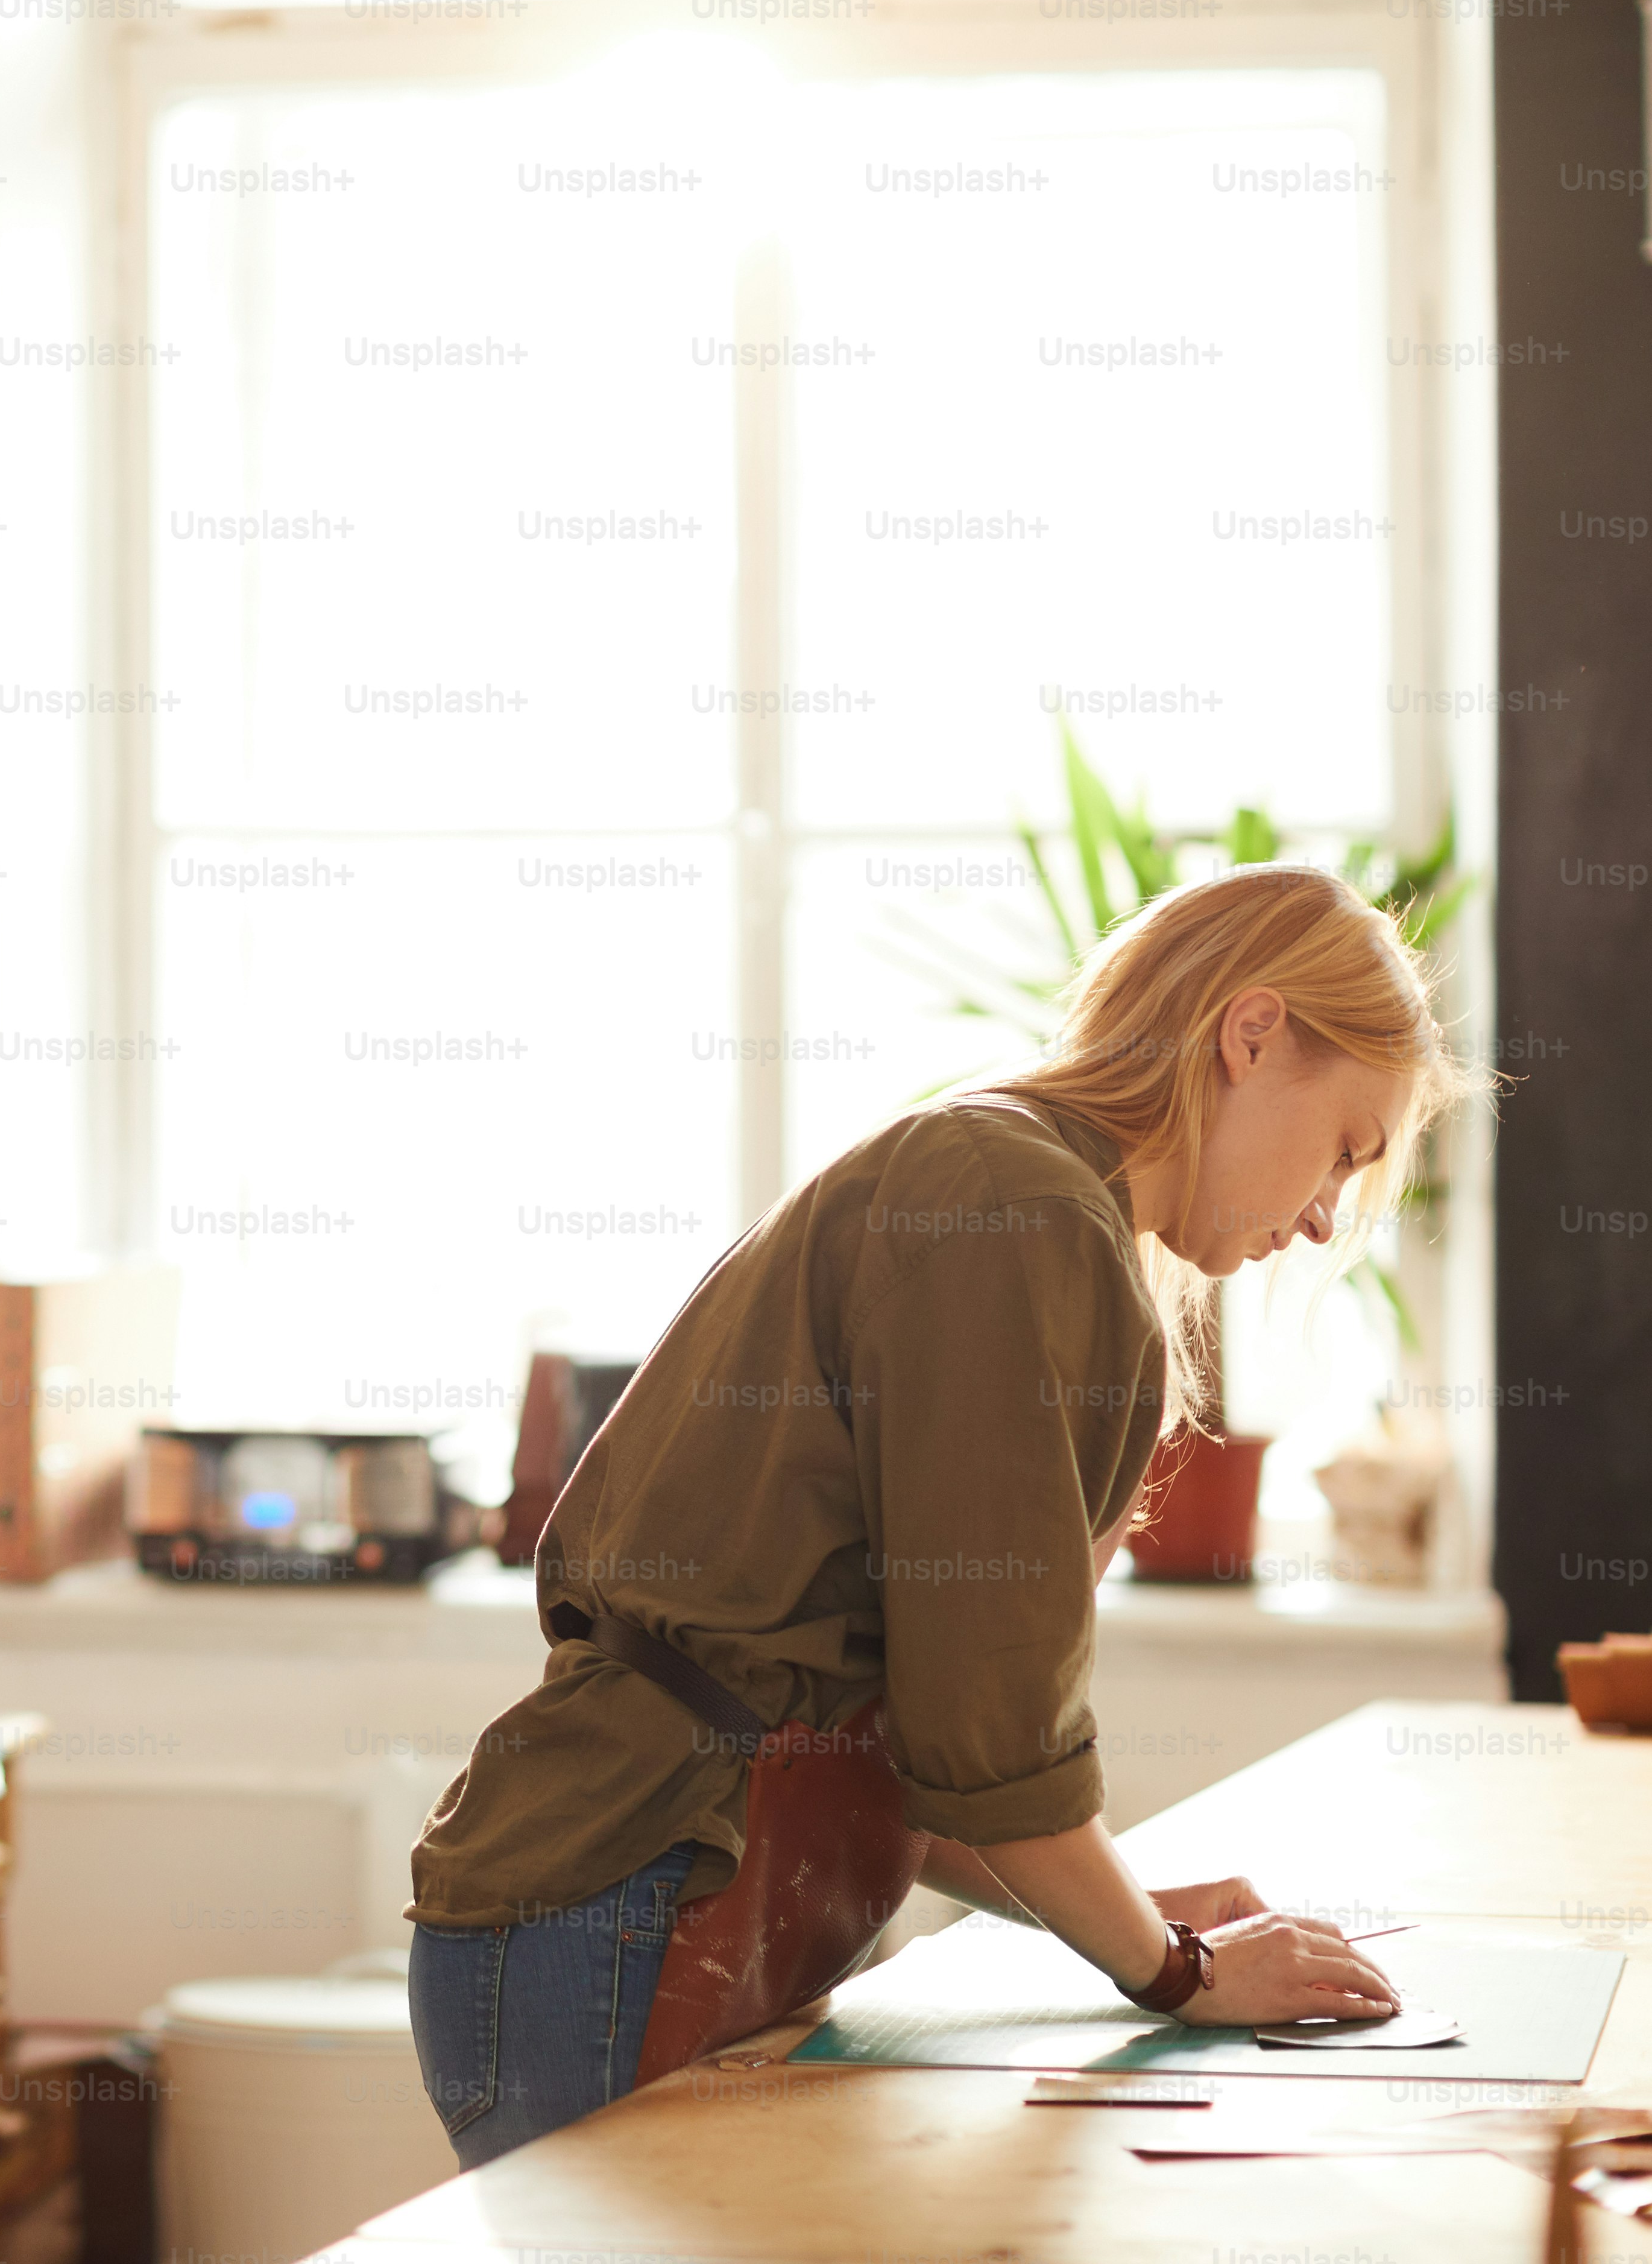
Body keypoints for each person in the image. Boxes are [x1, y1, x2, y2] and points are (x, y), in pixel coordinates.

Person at [406, 863, 1476, 2169]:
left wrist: (1134, 1914)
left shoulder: (1030, 1200)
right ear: (1252, 1035)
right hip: (616, 1905)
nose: (1321, 1220)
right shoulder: (1012, 1204)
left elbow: (936, 1768)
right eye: (1344, 1151)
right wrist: (1178, 1967)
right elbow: (989, 1761)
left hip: (626, 1905)